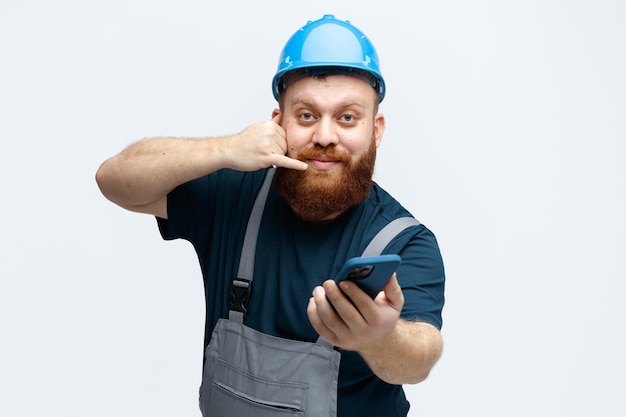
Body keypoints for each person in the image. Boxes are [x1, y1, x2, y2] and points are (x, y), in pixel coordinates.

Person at [96, 14, 445, 417]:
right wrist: (225, 149)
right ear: (278, 122)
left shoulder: (404, 239)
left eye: (348, 117)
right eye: (307, 115)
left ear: (376, 129)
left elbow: (419, 358)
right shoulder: (235, 195)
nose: (325, 136)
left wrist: (380, 336)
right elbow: (113, 179)